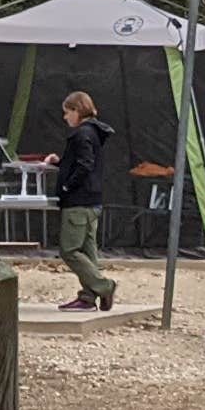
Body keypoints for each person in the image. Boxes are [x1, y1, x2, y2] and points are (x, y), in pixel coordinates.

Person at [48, 89, 119, 310]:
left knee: (69, 250)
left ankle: (104, 286)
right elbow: (83, 162)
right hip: (93, 201)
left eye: (67, 112)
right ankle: (88, 298)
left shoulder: (81, 134)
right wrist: (59, 164)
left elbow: (85, 165)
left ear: (77, 110)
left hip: (78, 202)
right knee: (88, 251)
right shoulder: (94, 133)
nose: (65, 117)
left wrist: (68, 185)